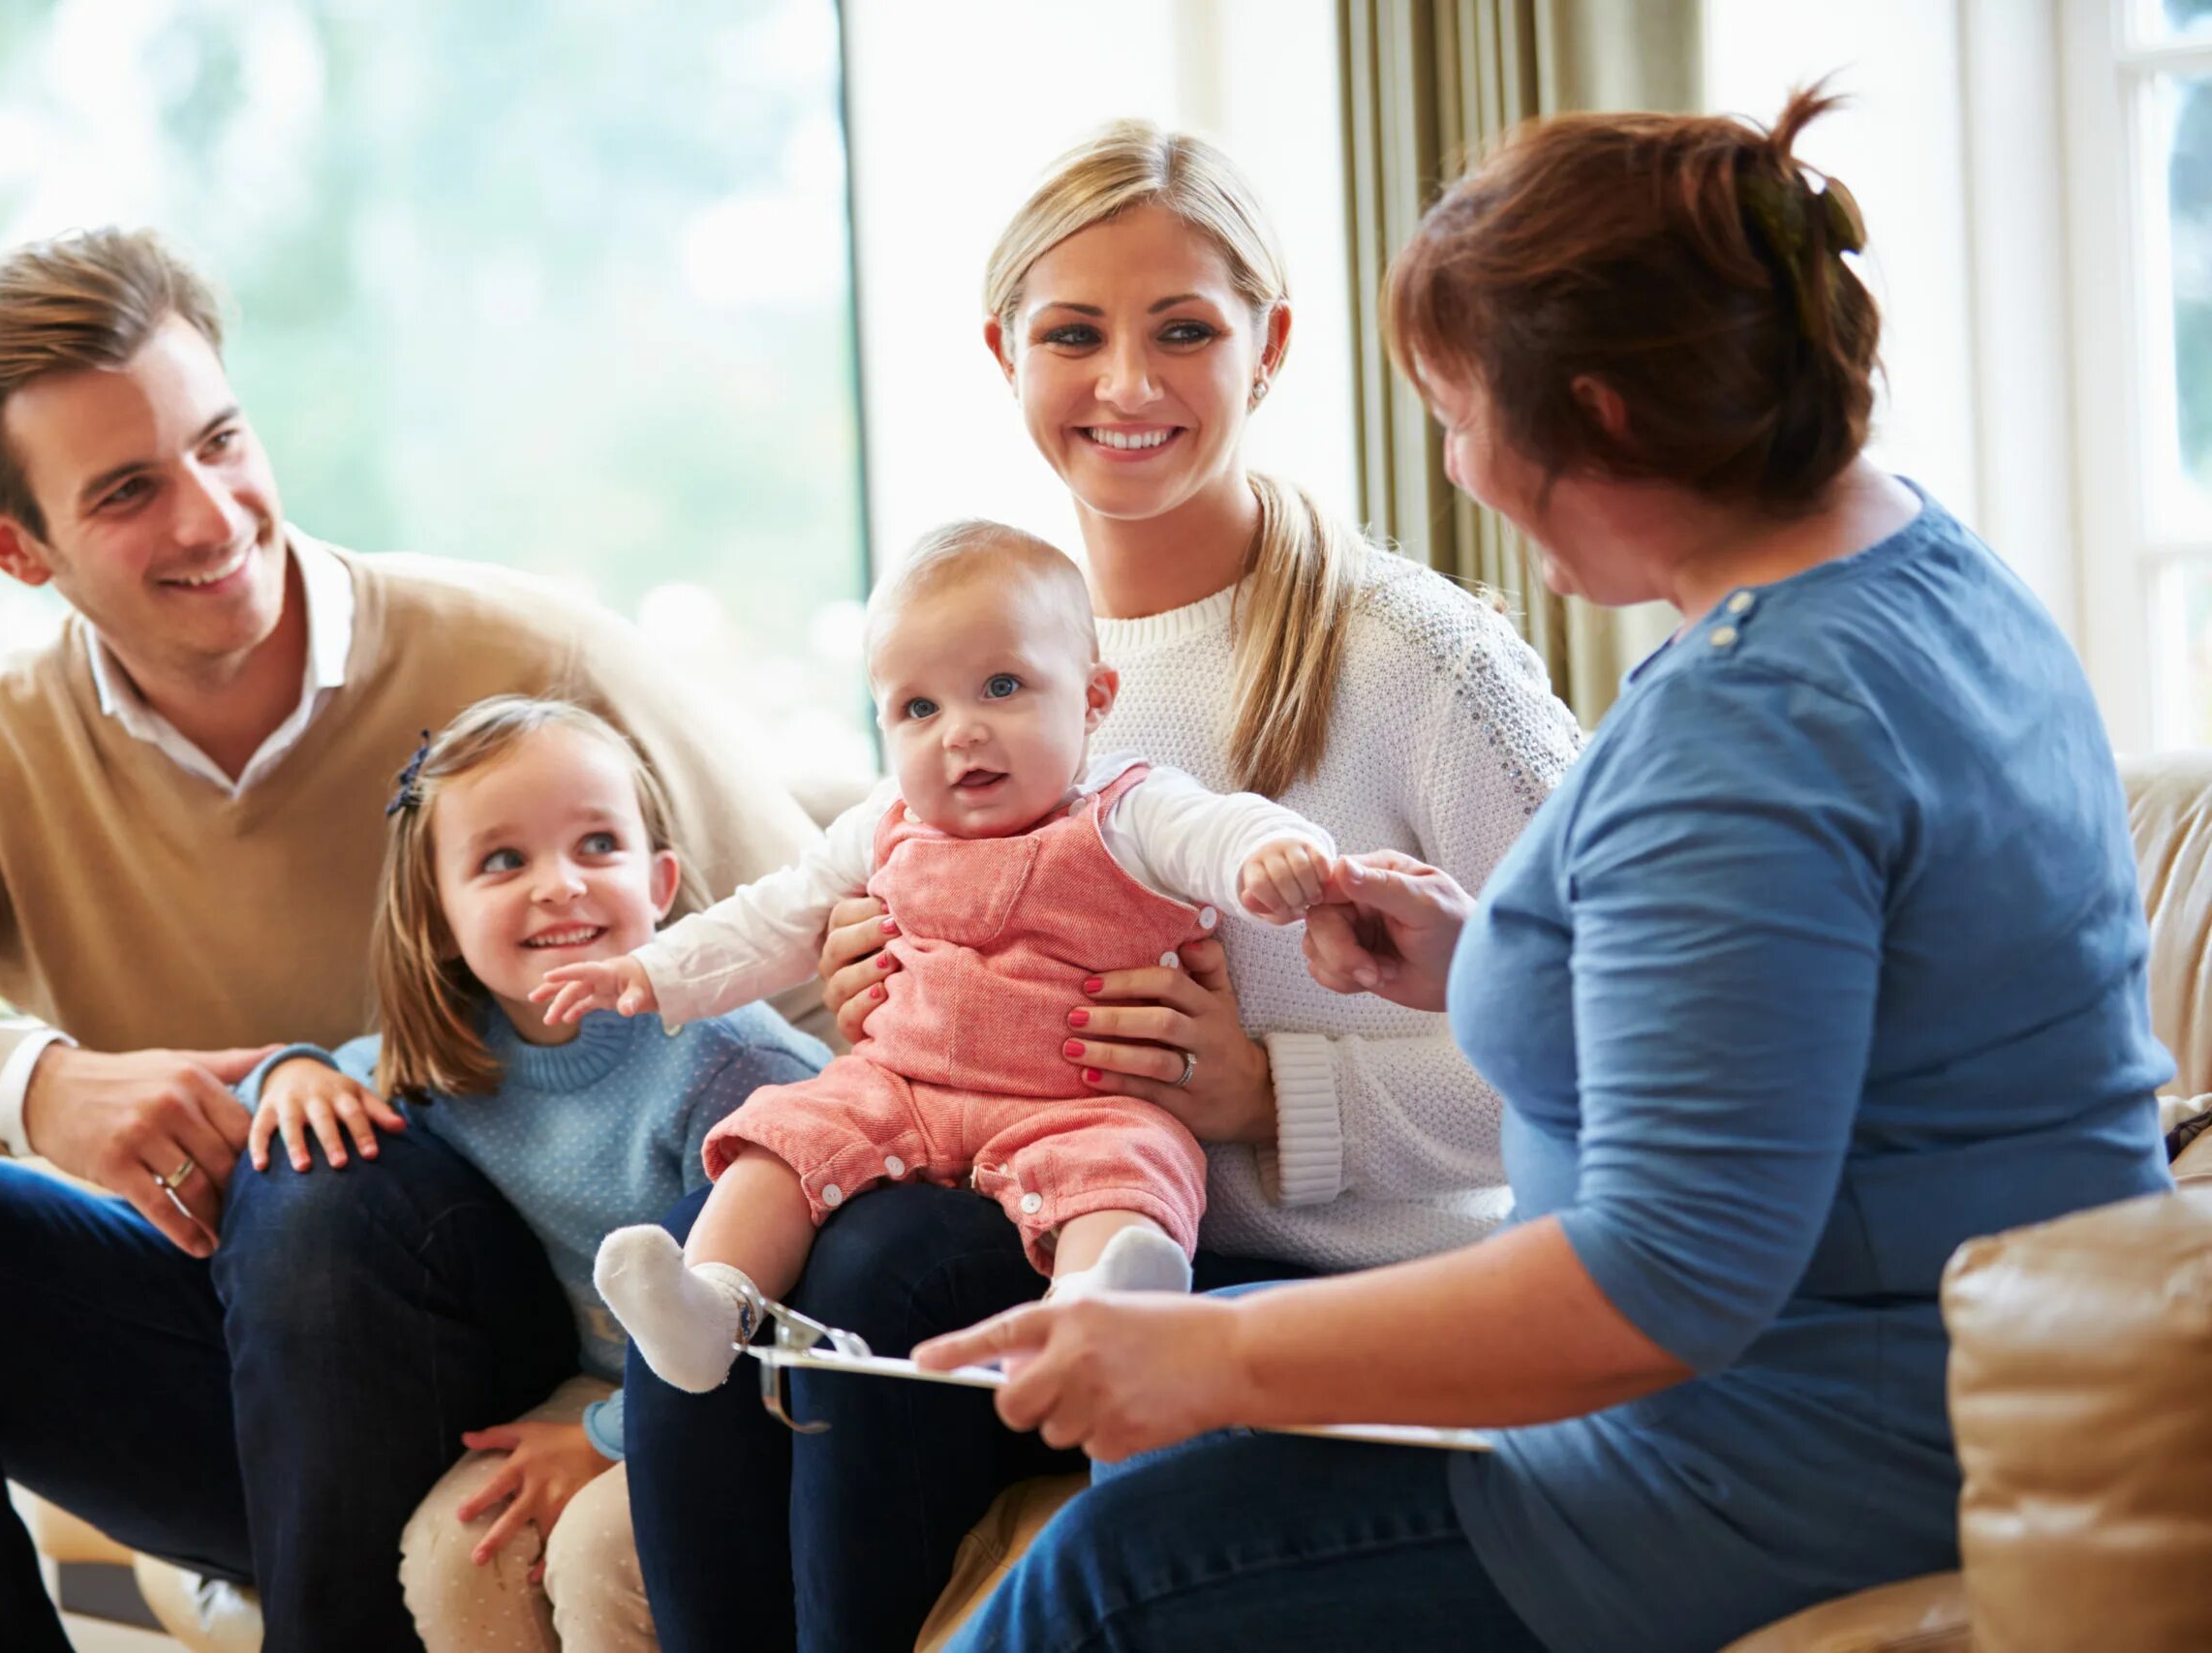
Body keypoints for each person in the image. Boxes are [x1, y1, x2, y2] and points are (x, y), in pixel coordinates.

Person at [912, 88, 2179, 1653]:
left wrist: (1216, 1366)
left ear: (1607, 417)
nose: (1457, 468)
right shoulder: (1918, 568)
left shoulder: (1753, 730)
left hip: (1783, 1446)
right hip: (1856, 1379)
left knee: (1100, 1578)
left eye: (1461, 414)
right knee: (1052, 1371)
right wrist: (1498, 955)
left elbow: (1659, 1284)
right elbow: (1815, 1014)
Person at [0, 228, 824, 1653]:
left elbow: (824, 949)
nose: (210, 516)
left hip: (535, 1349)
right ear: (11, 543)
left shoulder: (533, 665)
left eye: (221, 441)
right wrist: (38, 1088)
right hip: (218, 1375)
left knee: (315, 1177)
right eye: (127, 490)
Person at [623, 123, 1582, 1650]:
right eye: (1075, 333)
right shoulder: (980, 657)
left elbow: (1614, 1056)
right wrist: (890, 979)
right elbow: (882, 946)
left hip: (1316, 1275)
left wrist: (1275, 1089)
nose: (1127, 385)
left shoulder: (1420, 662)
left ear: (1267, 347)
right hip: (1047, 1204)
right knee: (728, 1276)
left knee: (875, 1277)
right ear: (1005, 352)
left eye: (1183, 330)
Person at [542, 522, 1335, 1395]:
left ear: (1095, 698)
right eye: (919, 708)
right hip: (899, 1086)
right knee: (781, 1139)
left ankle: (1100, 1311)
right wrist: (651, 970)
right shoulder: (885, 821)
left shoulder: (1131, 810)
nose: (961, 732)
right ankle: (712, 1306)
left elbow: (1225, 829)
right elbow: (777, 915)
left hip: (1075, 1105)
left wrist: (1274, 855)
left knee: (1136, 1163)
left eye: (1002, 687)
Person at [238, 694, 828, 1652]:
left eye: (597, 845)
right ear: (438, 915)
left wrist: (604, 1438)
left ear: (662, 881)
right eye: (504, 861)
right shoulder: (451, 1054)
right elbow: (300, 1102)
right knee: (455, 1548)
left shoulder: (728, 1066)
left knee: (599, 1549)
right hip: (599, 1381)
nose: (559, 885)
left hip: (747, 1391)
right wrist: (288, 1073)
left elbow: (780, 1328)